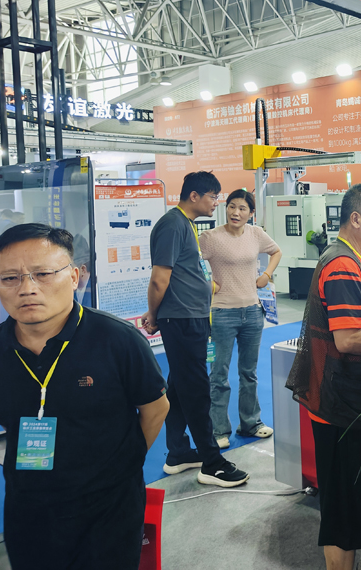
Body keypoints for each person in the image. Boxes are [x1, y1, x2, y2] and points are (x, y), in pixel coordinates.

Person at [0, 223, 169, 569]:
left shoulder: (117, 340)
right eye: (10, 278)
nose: (27, 288)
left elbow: (155, 408)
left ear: (74, 276)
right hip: (28, 507)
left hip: (108, 507)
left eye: (43, 274)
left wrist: (123, 463)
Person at [285, 183, 361, 570]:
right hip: (341, 408)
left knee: (349, 502)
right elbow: (348, 339)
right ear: (356, 218)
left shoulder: (351, 260)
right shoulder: (343, 266)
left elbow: (355, 327)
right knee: (342, 508)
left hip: (346, 401)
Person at [142, 171, 249, 487]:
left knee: (179, 387)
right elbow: (159, 278)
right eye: (213, 197)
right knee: (197, 390)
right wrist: (154, 315)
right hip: (182, 320)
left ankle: (177, 452)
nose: (217, 203)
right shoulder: (172, 225)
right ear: (194, 196)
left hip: (191, 317)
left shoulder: (186, 224)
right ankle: (212, 463)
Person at [200, 189, 282, 448]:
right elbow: (191, 262)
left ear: (251, 213)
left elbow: (276, 251)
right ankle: (218, 431)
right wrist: (207, 283)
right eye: (232, 206)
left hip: (253, 312)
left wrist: (266, 275)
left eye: (242, 208)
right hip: (221, 314)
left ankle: (251, 423)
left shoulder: (256, 234)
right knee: (218, 374)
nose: (236, 212)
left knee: (249, 373)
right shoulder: (210, 237)